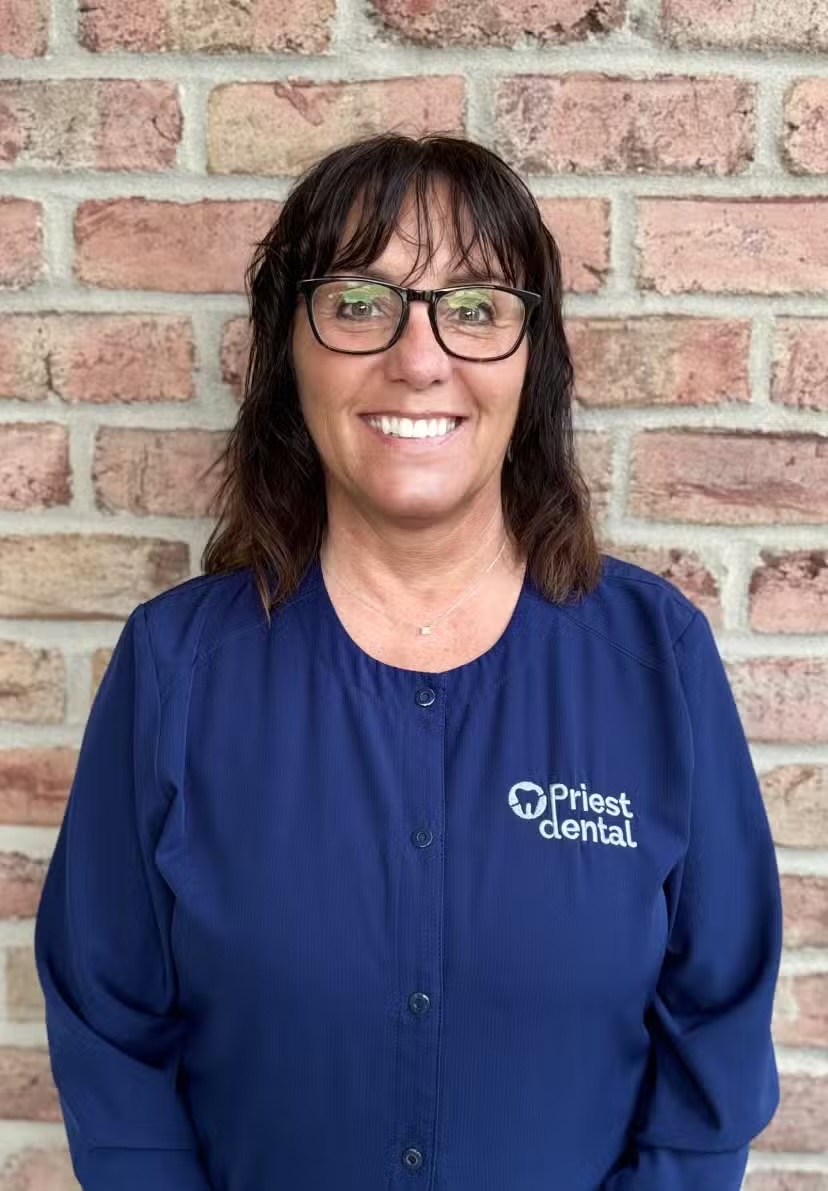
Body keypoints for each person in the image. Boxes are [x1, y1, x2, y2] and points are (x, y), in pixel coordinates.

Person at [34, 131, 782, 1191]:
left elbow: (717, 1027)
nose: (419, 358)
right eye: (359, 302)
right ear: (287, 349)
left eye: (474, 308)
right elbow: (110, 1037)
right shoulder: (177, 668)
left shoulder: (655, 661)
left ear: (536, 360)